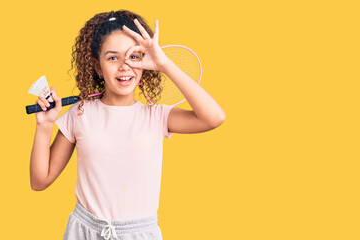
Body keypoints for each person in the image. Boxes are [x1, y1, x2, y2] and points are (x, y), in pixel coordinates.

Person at [30, 9, 225, 240]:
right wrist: (44, 125)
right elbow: (39, 181)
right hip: (85, 231)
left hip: (140, 233)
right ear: (97, 66)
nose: (124, 66)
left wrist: (163, 63)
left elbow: (214, 117)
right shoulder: (79, 113)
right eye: (113, 57)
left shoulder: (156, 116)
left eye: (134, 57)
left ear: (146, 62)